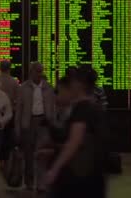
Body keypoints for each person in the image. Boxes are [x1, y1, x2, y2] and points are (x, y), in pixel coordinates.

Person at [45, 66, 108, 198]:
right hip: (94, 173)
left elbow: (75, 141)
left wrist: (55, 168)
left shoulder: (82, 109)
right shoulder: (95, 107)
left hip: (79, 176)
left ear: (79, 85)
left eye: (73, 82)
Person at [15, 61, 56, 192]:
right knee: (28, 153)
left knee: (42, 154)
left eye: (41, 71)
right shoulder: (23, 88)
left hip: (44, 122)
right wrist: (17, 127)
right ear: (31, 72)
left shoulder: (49, 88)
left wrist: (53, 124)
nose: (40, 74)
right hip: (28, 122)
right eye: (37, 71)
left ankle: (41, 183)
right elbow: (19, 110)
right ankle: (29, 182)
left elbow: (53, 108)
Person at [0, 60, 19, 168]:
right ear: (10, 68)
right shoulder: (14, 82)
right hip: (9, 113)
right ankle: (5, 160)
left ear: (0, 68)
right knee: (7, 137)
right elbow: (17, 99)